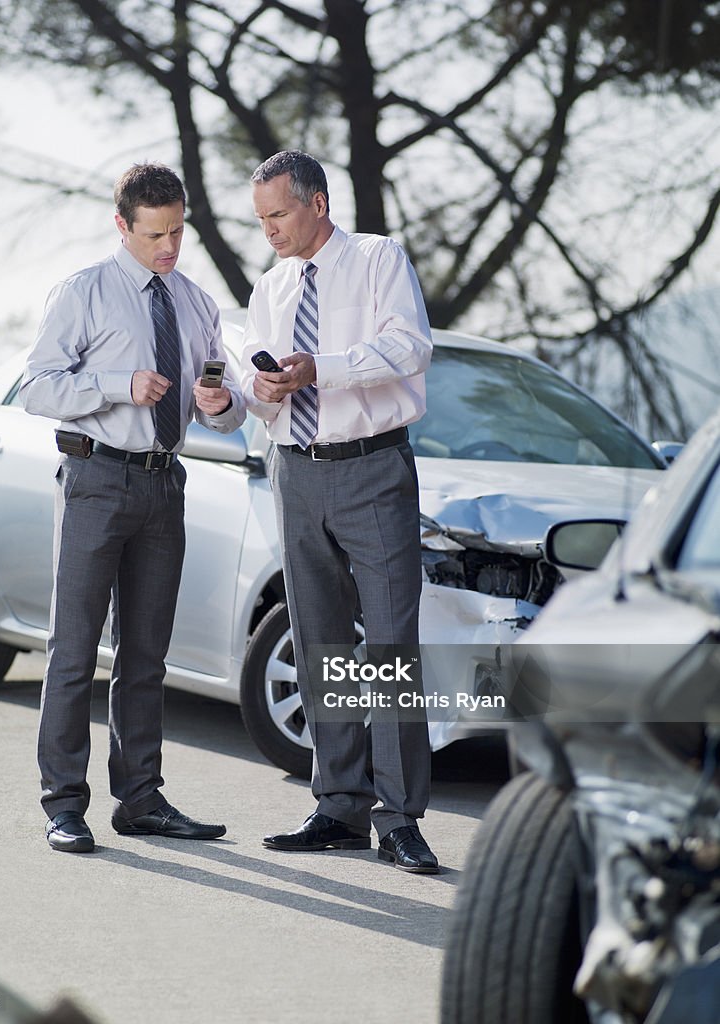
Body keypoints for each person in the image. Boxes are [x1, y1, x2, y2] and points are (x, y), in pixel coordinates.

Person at [21, 162, 245, 853]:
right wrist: (120, 385)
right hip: (94, 479)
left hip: (163, 484)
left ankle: (140, 799)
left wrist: (221, 403)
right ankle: (64, 805)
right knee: (73, 646)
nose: (169, 248)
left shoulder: (197, 303)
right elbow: (37, 388)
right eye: (155, 235)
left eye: (177, 232)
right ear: (123, 226)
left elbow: (225, 401)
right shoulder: (84, 292)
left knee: (147, 654)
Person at [241, 150, 439, 873]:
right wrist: (250, 392)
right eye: (260, 218)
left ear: (317, 204)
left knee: (388, 645)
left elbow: (408, 346)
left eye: (279, 214)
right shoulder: (270, 287)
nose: (269, 230)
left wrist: (319, 369)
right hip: (294, 471)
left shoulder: (380, 259)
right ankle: (339, 807)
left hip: (373, 469)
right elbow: (255, 383)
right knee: (320, 638)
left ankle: (400, 817)